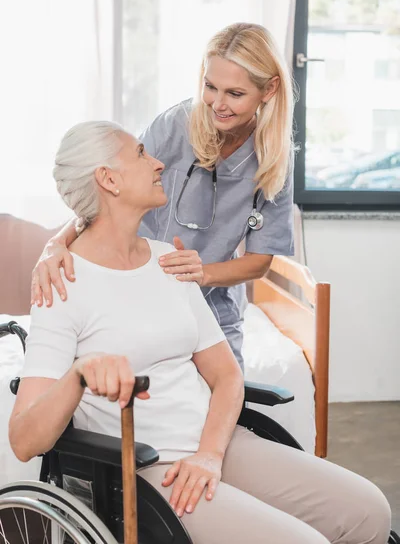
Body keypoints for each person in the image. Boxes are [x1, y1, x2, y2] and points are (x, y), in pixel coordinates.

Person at [10, 122, 391, 544]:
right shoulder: (61, 285)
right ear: (108, 179)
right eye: (140, 154)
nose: (158, 162)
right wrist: (78, 374)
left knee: (369, 510)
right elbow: (25, 441)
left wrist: (210, 454)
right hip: (150, 469)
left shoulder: (169, 261)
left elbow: (226, 376)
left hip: (219, 443)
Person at [31, 22, 296, 371]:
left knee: (227, 394)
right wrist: (57, 243)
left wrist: (202, 273)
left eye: (235, 93)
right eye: (210, 86)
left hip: (211, 301)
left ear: (269, 88)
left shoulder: (273, 155)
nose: (217, 104)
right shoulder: (176, 124)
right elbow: (111, 188)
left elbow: (260, 259)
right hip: (141, 286)